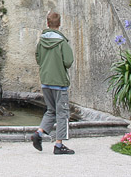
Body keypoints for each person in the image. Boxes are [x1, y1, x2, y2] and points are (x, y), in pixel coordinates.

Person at [32, 11, 75, 155]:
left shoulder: (41, 41)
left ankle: (39, 133)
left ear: (47, 23)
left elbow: (38, 59)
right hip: (59, 82)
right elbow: (68, 61)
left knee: (51, 110)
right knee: (62, 113)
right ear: (60, 24)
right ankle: (58, 144)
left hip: (45, 81)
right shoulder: (62, 42)